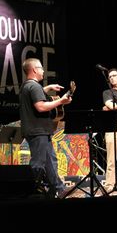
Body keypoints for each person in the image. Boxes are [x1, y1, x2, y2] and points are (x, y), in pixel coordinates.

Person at [19, 58, 72, 198]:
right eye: (41, 68)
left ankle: (58, 190)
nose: (43, 71)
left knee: (50, 162)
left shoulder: (27, 86)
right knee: (39, 163)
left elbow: (35, 95)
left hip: (40, 131)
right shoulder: (34, 87)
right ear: (34, 70)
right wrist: (61, 101)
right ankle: (36, 190)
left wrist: (47, 89)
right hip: (37, 131)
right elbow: (40, 106)